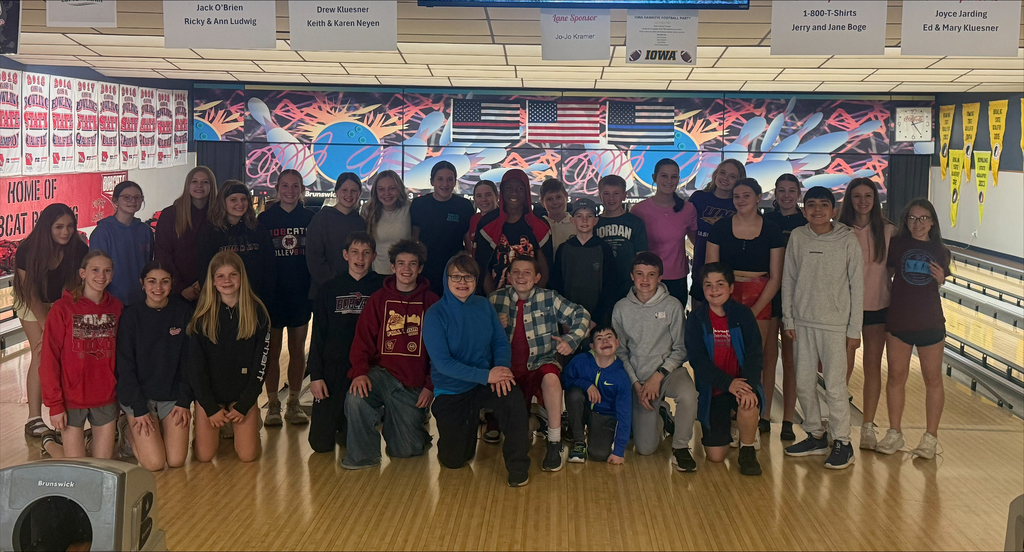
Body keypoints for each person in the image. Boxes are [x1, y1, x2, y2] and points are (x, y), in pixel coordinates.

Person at [423, 253, 531, 487]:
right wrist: (487, 374)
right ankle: (466, 428)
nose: (462, 282)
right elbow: (443, 364)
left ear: (476, 280)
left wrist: (500, 367)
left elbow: (500, 342)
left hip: (485, 383)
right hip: (452, 390)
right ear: (446, 279)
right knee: (455, 460)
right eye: (456, 277)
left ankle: (518, 466)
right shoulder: (434, 315)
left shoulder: (483, 305)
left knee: (513, 399)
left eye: (468, 277)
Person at [782, 186, 863, 470]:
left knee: (835, 387)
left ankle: (842, 440)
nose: (817, 210)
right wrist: (788, 318)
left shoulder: (847, 239)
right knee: (803, 383)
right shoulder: (798, 237)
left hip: (835, 324)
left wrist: (855, 330)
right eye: (812, 205)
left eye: (823, 205)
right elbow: (788, 278)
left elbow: (857, 285)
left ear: (833, 211)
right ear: (804, 210)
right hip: (802, 322)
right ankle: (815, 434)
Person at [488, 256, 591, 472]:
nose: (520, 276)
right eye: (515, 272)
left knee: (552, 378)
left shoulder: (549, 298)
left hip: (540, 363)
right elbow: (475, 336)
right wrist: (493, 325)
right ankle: (536, 420)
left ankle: (554, 442)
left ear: (537, 277)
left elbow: (582, 314)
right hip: (508, 372)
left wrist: (571, 341)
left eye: (527, 272)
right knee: (520, 436)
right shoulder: (494, 300)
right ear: (508, 276)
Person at [345, 240, 439, 469]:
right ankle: (365, 456)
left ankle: (404, 426)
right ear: (393, 267)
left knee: (406, 451)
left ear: (420, 268)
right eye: (401, 263)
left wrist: (430, 385)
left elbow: (440, 352)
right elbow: (362, 341)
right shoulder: (378, 299)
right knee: (356, 397)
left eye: (412, 264)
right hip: (381, 375)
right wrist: (359, 373)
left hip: (412, 386)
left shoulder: (433, 303)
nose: (406, 269)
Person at [706, 177, 785, 434]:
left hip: (760, 295)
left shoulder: (771, 229)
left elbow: (776, 276)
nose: (740, 200)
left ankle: (755, 412)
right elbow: (711, 270)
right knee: (726, 356)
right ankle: (727, 411)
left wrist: (754, 308)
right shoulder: (720, 227)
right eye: (737, 196)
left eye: (746, 195)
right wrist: (722, 299)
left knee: (752, 358)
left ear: (758, 197)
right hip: (725, 294)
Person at [878, 199, 951, 460]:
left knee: (933, 380)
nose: (917, 223)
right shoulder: (896, 245)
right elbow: (884, 275)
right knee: (896, 378)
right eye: (912, 218)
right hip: (899, 321)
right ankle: (894, 432)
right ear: (905, 221)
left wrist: (942, 279)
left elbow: (941, 281)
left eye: (922, 218)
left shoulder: (941, 250)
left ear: (932, 221)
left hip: (930, 321)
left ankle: (930, 438)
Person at [612, 252, 698, 471]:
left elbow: (680, 349)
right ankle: (661, 413)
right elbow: (620, 352)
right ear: (632, 276)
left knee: (688, 395)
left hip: (668, 373)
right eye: (640, 274)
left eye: (651, 275)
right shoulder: (621, 308)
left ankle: (680, 447)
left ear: (660, 277)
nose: (645, 280)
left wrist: (658, 375)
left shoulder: (672, 306)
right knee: (645, 448)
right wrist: (636, 384)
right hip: (638, 379)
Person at [13, 203, 89, 437]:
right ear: (47, 227)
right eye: (59, 227)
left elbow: (72, 288)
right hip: (31, 301)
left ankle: (69, 411)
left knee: (66, 354)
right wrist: (47, 327)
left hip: (61, 302)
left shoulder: (79, 249)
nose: (65, 232)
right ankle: (33, 418)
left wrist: (58, 323)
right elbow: (30, 293)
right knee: (41, 352)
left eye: (69, 226)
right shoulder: (28, 249)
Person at [188, 251, 270, 463]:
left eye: (233, 275)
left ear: (242, 278)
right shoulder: (201, 317)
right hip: (211, 396)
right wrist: (209, 406)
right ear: (213, 282)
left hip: (241, 394)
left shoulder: (258, 312)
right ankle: (208, 427)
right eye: (221, 276)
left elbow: (261, 366)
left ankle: (251, 423)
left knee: (248, 456)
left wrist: (245, 404)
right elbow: (196, 368)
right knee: (205, 456)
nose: (227, 281)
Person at [39, 251, 122, 459]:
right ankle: (49, 443)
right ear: (83, 273)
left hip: (105, 396)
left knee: (102, 466)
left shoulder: (117, 308)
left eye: (107, 271)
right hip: (71, 398)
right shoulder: (62, 308)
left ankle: (83, 443)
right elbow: (49, 359)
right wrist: (55, 405)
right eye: (95, 270)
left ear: (112, 275)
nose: (101, 276)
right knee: (78, 468)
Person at [307, 232, 385, 453]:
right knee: (320, 445)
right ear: (345, 255)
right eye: (355, 252)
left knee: (351, 442)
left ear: (374, 257)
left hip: (368, 370)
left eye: (366, 253)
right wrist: (316, 376)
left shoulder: (382, 288)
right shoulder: (329, 289)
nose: (360, 258)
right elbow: (318, 336)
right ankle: (340, 423)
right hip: (333, 369)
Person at [686, 263, 764, 476]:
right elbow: (698, 362)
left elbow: (755, 355)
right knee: (716, 456)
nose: (714, 290)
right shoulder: (696, 320)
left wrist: (746, 385)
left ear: (731, 288)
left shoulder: (743, 315)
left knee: (748, 403)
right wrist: (728, 383)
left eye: (720, 284)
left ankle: (747, 451)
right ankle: (731, 423)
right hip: (716, 388)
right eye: (708, 285)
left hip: (742, 384)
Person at [115, 261, 192, 471]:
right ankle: (126, 426)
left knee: (176, 460)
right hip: (140, 398)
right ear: (142, 284)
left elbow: (189, 361)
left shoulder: (183, 312)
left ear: (172, 284)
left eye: (164, 281)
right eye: (152, 281)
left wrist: (184, 401)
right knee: (155, 464)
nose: (158, 287)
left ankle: (158, 429)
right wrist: (139, 409)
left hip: (172, 397)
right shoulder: (131, 316)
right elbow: (125, 366)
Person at [838, 177, 896, 451]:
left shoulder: (888, 231)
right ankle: (837, 424)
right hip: (845, 310)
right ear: (849, 199)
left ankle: (868, 427)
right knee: (842, 370)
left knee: (872, 367)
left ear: (875, 200)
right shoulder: (839, 230)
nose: (862, 201)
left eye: (868, 196)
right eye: (857, 196)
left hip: (878, 308)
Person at [257, 169, 315, 426]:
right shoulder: (265, 219)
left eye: (294, 186)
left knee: (297, 351)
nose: (290, 190)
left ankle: (293, 401)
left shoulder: (311, 218)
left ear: (301, 189)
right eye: (285, 186)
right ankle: (272, 404)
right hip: (272, 296)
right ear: (277, 188)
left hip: (301, 294)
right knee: (271, 352)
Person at [761, 173, 806, 441]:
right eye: (781, 190)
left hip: (797, 301)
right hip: (769, 296)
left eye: (791, 190)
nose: (786, 195)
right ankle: (765, 415)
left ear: (798, 194)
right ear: (775, 194)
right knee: (768, 361)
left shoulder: (807, 222)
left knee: (791, 362)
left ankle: (788, 419)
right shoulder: (765, 222)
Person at [630, 158, 698, 307]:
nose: (669, 181)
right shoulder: (638, 210)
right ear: (654, 178)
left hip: (677, 278)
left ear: (679, 179)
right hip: (647, 279)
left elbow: (697, 243)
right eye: (664, 176)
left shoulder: (688, 209)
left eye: (674, 177)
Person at [561, 325, 632, 464]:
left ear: (617, 343)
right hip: (583, 408)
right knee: (574, 395)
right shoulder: (581, 361)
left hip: (605, 415)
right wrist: (586, 385)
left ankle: (595, 433)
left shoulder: (621, 375)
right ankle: (579, 441)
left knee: (599, 454)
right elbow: (564, 380)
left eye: (609, 337)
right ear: (592, 346)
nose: (605, 341)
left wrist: (618, 451)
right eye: (600, 339)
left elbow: (625, 415)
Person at [476, 169, 553, 293]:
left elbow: (545, 269)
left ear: (527, 192)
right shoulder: (487, 224)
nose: (514, 193)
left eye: (520, 189)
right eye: (509, 188)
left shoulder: (540, 225)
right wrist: (494, 300)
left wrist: (533, 299)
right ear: (502, 192)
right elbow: (482, 268)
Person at [196, 181, 276, 302]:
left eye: (244, 199)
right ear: (223, 202)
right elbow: (204, 270)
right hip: (222, 299)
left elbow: (269, 267)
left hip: (256, 299)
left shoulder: (258, 229)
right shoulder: (209, 232)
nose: (240, 203)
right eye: (233, 200)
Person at [411, 161, 475, 296]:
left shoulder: (464, 206)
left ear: (455, 182)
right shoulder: (419, 204)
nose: (445, 184)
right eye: (440, 179)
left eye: (450, 179)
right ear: (432, 181)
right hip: (426, 269)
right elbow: (414, 239)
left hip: (455, 271)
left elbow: (469, 242)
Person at [550, 198, 617, 328]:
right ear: (572, 220)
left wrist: (597, 318)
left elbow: (610, 286)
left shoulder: (604, 249)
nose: (584, 220)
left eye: (589, 216)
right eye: (579, 216)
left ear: (596, 220)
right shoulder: (564, 249)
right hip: (568, 319)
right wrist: (564, 319)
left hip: (597, 320)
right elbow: (556, 286)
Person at [155, 166, 216, 302]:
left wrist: (206, 282)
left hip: (212, 289)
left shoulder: (218, 216)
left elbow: (221, 254)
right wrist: (181, 287)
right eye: (194, 181)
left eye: (205, 182)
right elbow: (163, 254)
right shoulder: (170, 215)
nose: (199, 186)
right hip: (177, 292)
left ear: (212, 186)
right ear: (187, 185)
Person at [89, 180, 153, 306]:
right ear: (115, 200)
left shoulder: (145, 230)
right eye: (127, 197)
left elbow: (148, 263)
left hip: (141, 298)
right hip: (112, 300)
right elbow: (96, 270)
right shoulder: (103, 232)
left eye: (137, 197)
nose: (132, 201)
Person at [689, 159, 743, 305]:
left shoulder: (740, 203)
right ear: (715, 174)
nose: (725, 178)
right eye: (723, 172)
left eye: (732, 176)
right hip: (701, 267)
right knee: (700, 318)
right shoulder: (699, 198)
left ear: (739, 181)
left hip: (730, 271)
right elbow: (690, 228)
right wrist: (702, 244)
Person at [306, 172, 367, 301]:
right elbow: (314, 259)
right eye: (344, 190)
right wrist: (337, 282)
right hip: (325, 291)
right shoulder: (321, 219)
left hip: (354, 292)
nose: (349, 195)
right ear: (336, 191)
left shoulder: (361, 222)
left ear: (360, 193)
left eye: (353, 191)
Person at [595, 175, 648, 299]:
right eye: (606, 194)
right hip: (601, 283)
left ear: (624, 195)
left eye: (616, 193)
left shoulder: (635, 222)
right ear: (600, 196)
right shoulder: (594, 223)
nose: (611, 198)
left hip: (628, 284)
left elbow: (641, 256)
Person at [362, 170, 412, 275]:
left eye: (392, 188)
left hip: (404, 274)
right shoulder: (367, 210)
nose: (387, 193)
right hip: (376, 273)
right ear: (375, 191)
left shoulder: (410, 208)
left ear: (399, 190)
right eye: (381, 189)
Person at [540, 178, 575, 252]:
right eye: (549, 199)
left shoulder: (577, 224)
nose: (555, 202)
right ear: (542, 202)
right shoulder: (539, 225)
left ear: (566, 196)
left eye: (558, 197)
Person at [464, 180, 498, 253]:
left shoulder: (504, 219)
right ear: (475, 199)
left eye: (488, 195)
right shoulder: (474, 219)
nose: (484, 199)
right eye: (479, 196)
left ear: (497, 197)